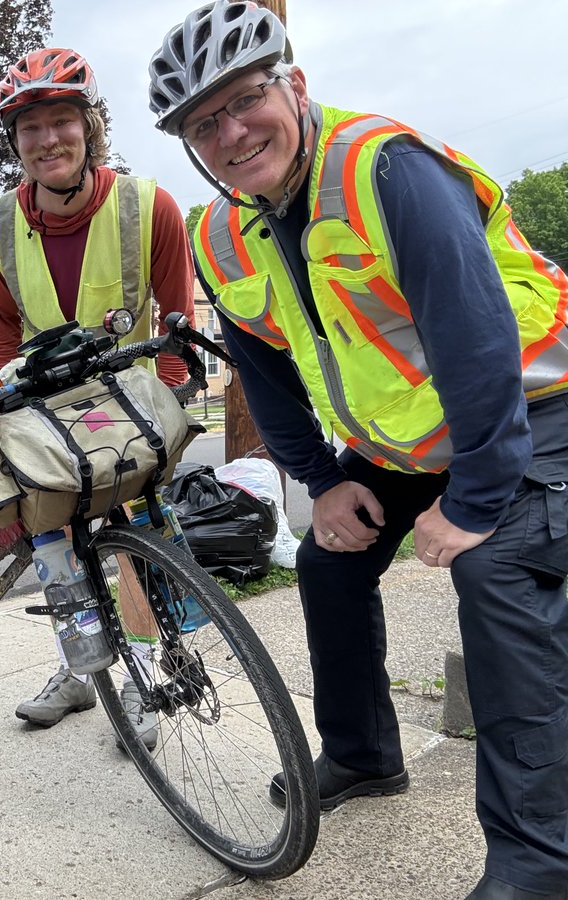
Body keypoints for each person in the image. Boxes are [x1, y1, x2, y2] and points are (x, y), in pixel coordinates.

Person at [148, 3, 568, 897]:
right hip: (421, 436)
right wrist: (325, 482)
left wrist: (477, 502)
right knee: (329, 564)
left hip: (536, 405)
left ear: (293, 87)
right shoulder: (223, 233)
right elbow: (262, 370)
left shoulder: (387, 171)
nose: (229, 132)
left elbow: (478, 339)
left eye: (245, 100)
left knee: (497, 575)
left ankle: (538, 861)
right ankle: (365, 755)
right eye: (201, 123)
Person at [0, 47, 195, 740]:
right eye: (30, 128)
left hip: (124, 405)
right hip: (46, 410)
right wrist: (2, 412)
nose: (48, 140)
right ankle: (81, 667)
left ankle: (142, 668)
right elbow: (2, 333)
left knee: (130, 544)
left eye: (62, 121)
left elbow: (176, 330)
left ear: (90, 126)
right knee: (54, 546)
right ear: (16, 142)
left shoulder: (149, 207)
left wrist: (160, 418)